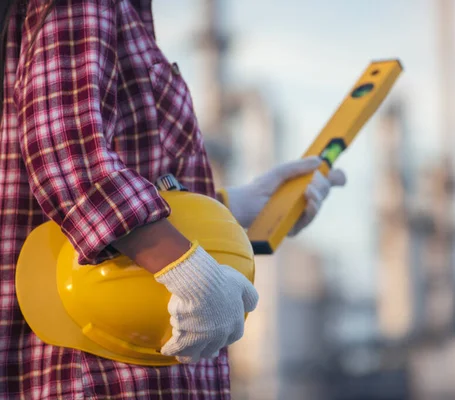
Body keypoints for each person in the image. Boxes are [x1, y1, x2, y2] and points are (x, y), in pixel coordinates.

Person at [0, 0, 346, 398]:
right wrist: (189, 274)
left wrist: (232, 212)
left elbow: (104, 169)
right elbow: (67, 149)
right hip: (101, 375)